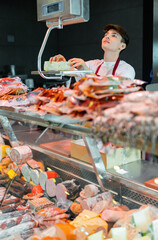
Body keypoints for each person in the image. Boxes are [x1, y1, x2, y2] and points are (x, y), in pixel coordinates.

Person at [49, 24, 135, 80]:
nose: (107, 37)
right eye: (106, 35)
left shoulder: (126, 69)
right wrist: (60, 64)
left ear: (122, 46)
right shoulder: (92, 64)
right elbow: (68, 70)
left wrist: (86, 72)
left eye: (113, 36)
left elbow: (112, 89)